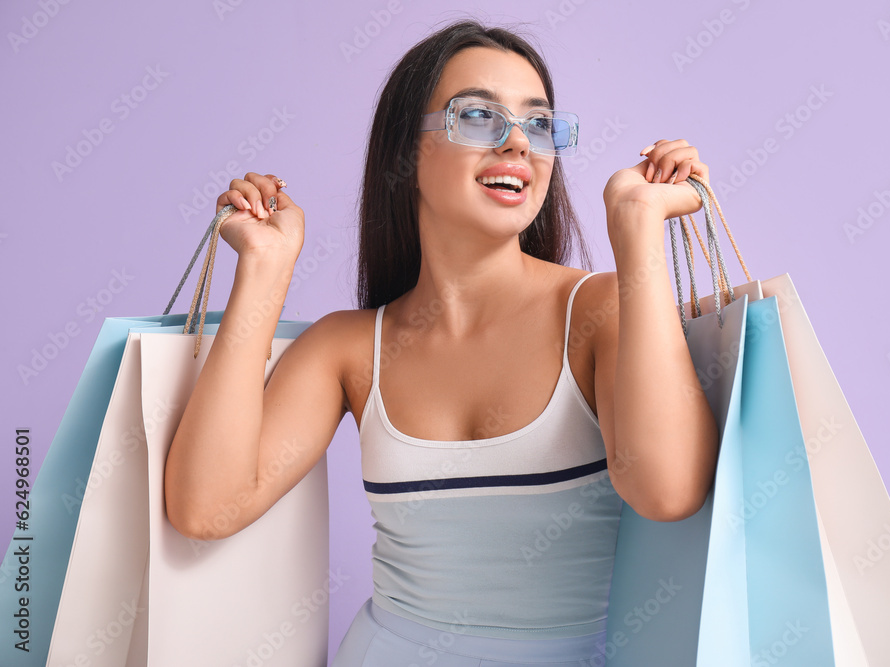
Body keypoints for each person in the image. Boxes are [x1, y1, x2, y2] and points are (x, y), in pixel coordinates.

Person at [164, 17, 718, 666]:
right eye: (478, 116)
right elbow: (205, 507)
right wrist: (264, 269)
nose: (517, 144)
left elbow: (669, 489)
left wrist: (636, 228)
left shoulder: (596, 311)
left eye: (539, 124)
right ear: (408, 154)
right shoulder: (347, 347)